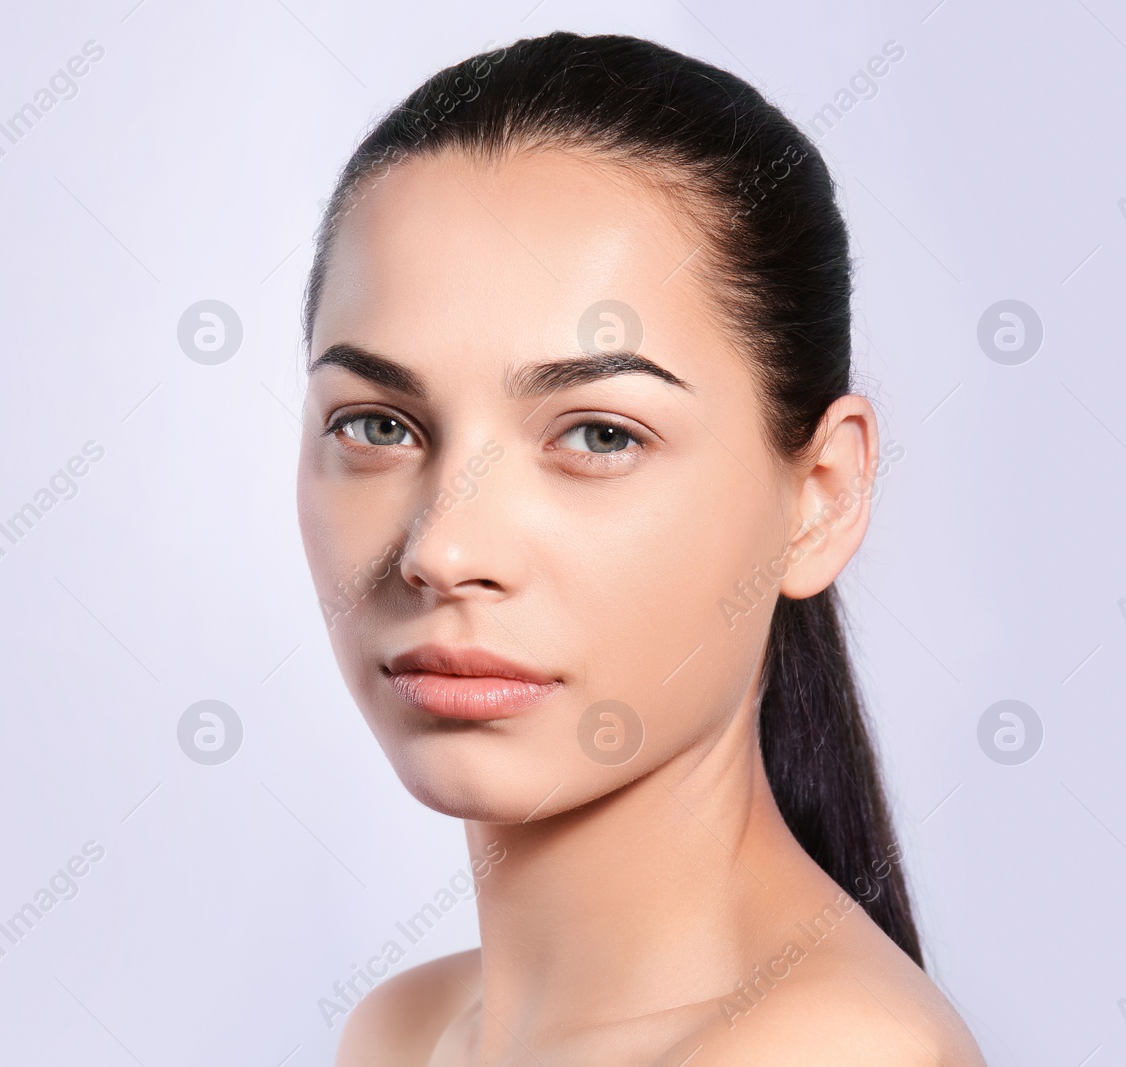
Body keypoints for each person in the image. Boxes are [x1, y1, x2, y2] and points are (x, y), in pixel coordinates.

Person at [295, 31, 985, 1065]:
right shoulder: (398, 1031)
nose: (441, 549)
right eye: (378, 425)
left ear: (820, 497)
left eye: (598, 435)